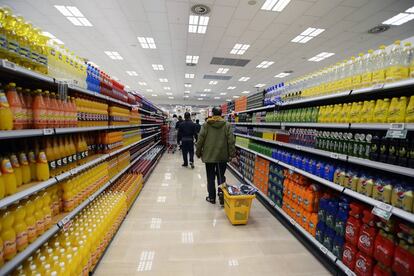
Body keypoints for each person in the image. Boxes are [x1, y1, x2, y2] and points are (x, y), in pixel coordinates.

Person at [196, 107, 236, 204]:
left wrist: (198, 152)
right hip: (222, 156)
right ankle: (222, 196)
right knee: (221, 176)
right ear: (221, 114)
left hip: (209, 156)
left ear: (212, 114)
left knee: (210, 177)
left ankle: (212, 197)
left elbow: (200, 139)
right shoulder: (227, 125)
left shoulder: (206, 125)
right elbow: (231, 141)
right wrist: (232, 154)